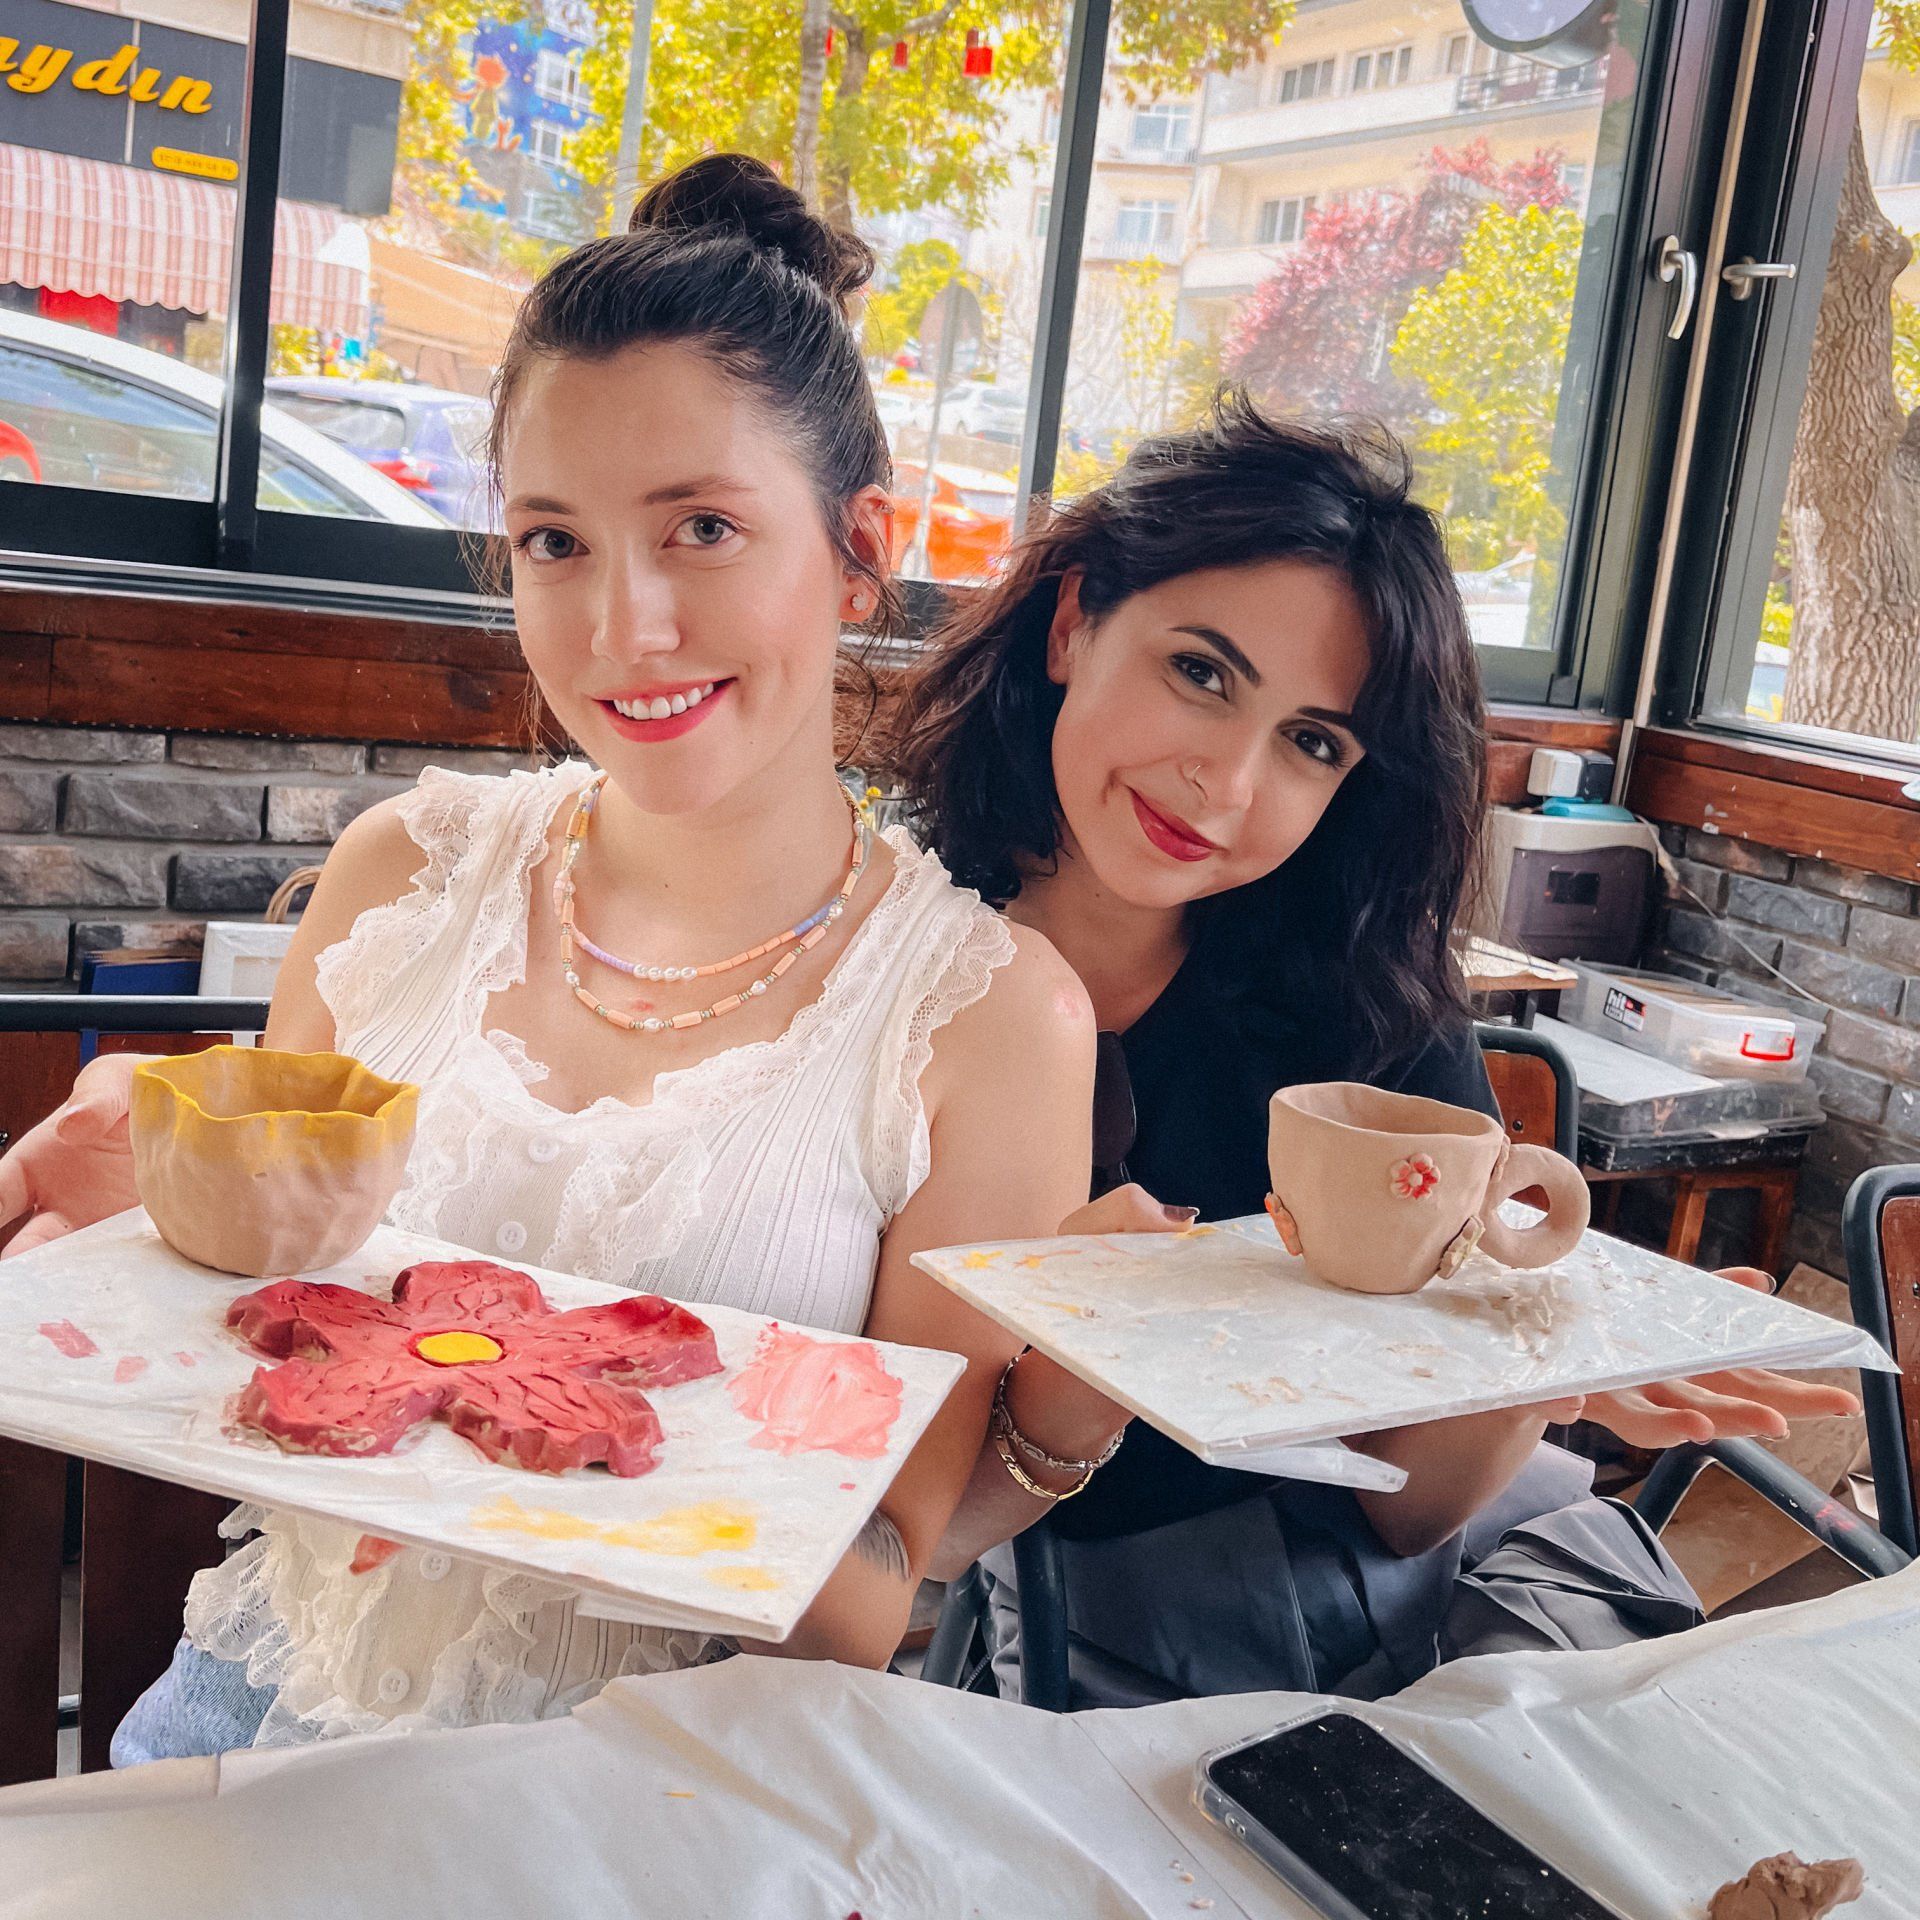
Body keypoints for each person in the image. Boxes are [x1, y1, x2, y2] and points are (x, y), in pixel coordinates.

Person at [0, 154, 1097, 1756]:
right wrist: (148, 1234)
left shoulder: (990, 1020)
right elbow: (269, 1339)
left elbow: (870, 1586)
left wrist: (567, 1415)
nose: (620, 630)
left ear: (860, 544)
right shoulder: (400, 880)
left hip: (644, 1799)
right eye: (553, 542)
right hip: (250, 1713)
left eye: (703, 528)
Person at [893, 397, 1859, 1704]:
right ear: (1074, 623)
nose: (1229, 784)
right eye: (1201, 673)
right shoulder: (876, 956)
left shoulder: (1365, 1012)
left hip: (1341, 1626)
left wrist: (1529, 1360)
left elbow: (1410, 1513)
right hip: (983, 1612)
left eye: (1312, 742)